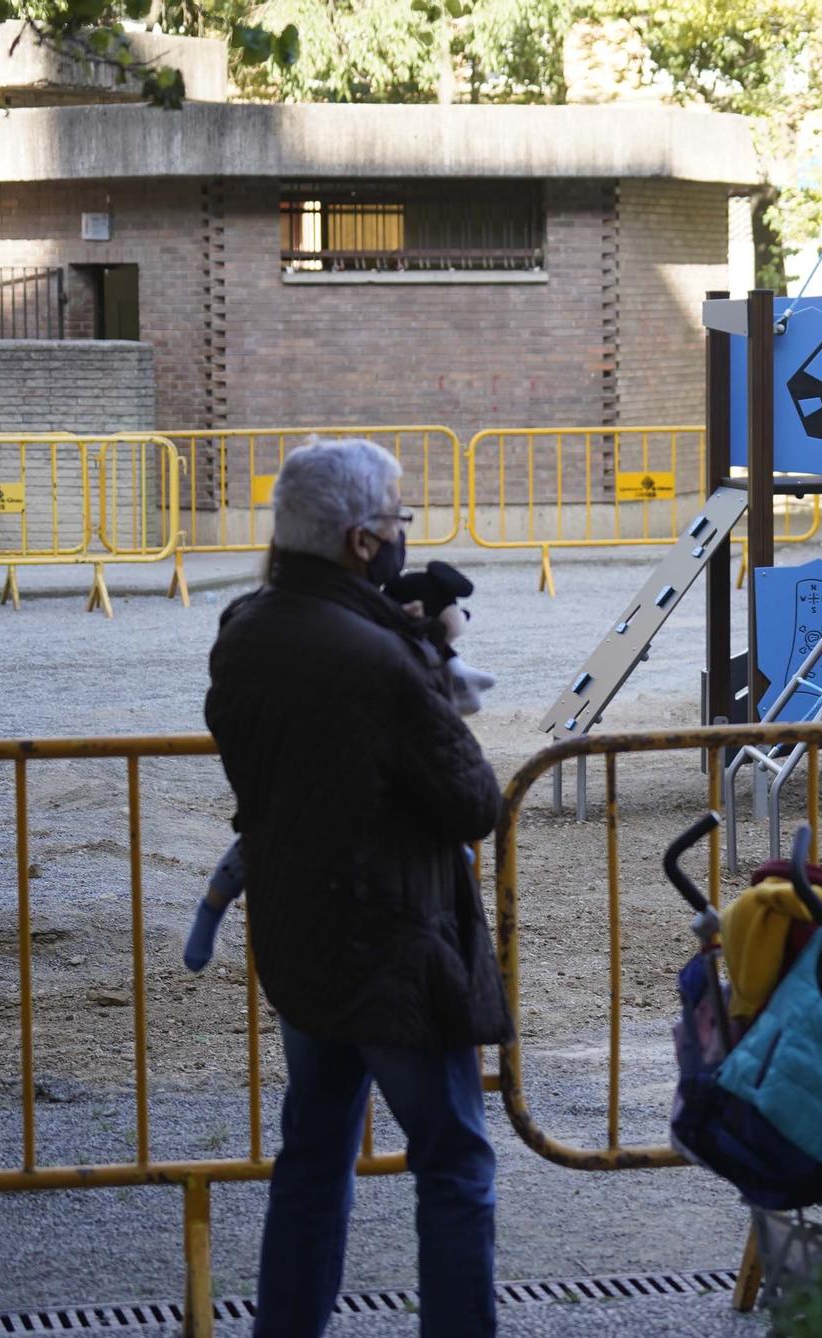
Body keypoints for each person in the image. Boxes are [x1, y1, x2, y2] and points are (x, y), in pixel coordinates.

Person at [204, 439, 509, 1336]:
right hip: (396, 949)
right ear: (361, 542)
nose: (405, 534)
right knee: (454, 1162)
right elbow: (471, 802)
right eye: (397, 521)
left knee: (313, 1157)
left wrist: (401, 635)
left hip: (299, 936)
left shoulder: (246, 628)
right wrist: (429, 654)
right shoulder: (380, 660)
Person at [184, 559, 495, 973]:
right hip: (363, 876)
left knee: (259, 847)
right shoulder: (383, 651)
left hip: (304, 928)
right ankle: (210, 911)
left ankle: (211, 912)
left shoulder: (257, 624)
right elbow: (471, 798)